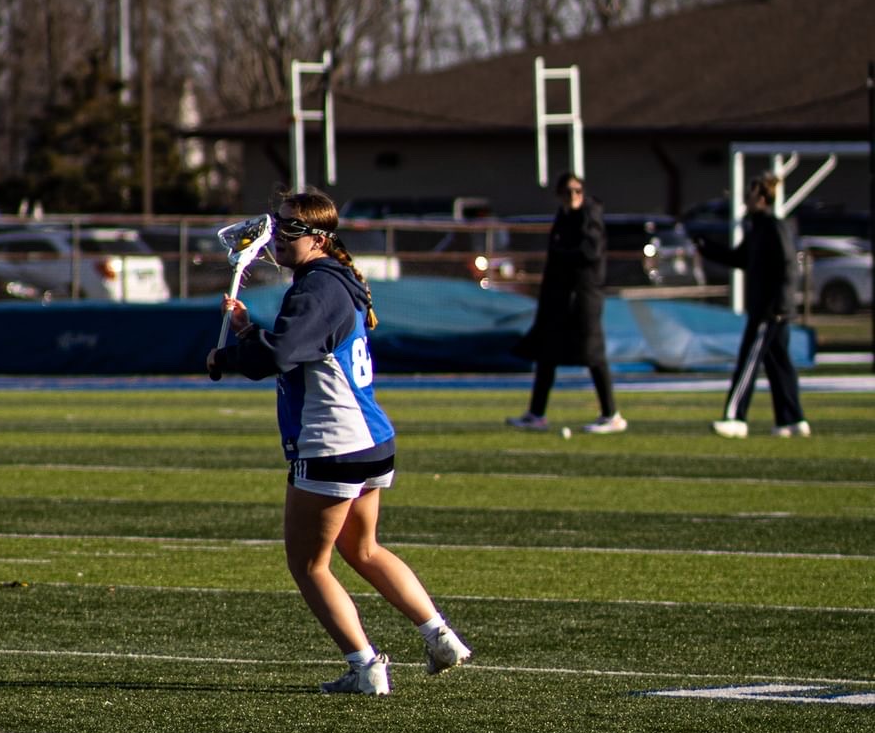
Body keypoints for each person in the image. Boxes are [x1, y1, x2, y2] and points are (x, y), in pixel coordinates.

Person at [207, 189, 471, 696]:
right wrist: (245, 332)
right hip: (371, 439)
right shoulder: (331, 280)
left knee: (309, 565)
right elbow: (301, 347)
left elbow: (280, 355)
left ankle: (366, 666)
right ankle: (440, 638)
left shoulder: (314, 289)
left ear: (320, 238)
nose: (277, 239)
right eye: (276, 226)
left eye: (290, 230)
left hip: (333, 444)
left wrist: (230, 357)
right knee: (363, 548)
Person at [507, 171, 626, 434]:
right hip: (560, 298)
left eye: (577, 191)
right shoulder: (564, 217)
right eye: (568, 192)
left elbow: (590, 253)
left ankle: (611, 414)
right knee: (546, 355)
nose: (573, 196)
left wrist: (564, 254)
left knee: (594, 355)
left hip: (583, 297)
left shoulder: (588, 216)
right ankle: (536, 414)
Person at [694, 172, 809, 439]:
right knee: (779, 363)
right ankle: (792, 419)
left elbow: (788, 267)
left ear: (760, 197)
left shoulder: (774, 227)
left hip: (770, 309)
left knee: (748, 360)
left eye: (749, 194)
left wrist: (781, 305)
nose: (745, 199)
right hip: (766, 307)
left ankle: (735, 417)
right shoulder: (757, 228)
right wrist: (707, 248)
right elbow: (740, 259)